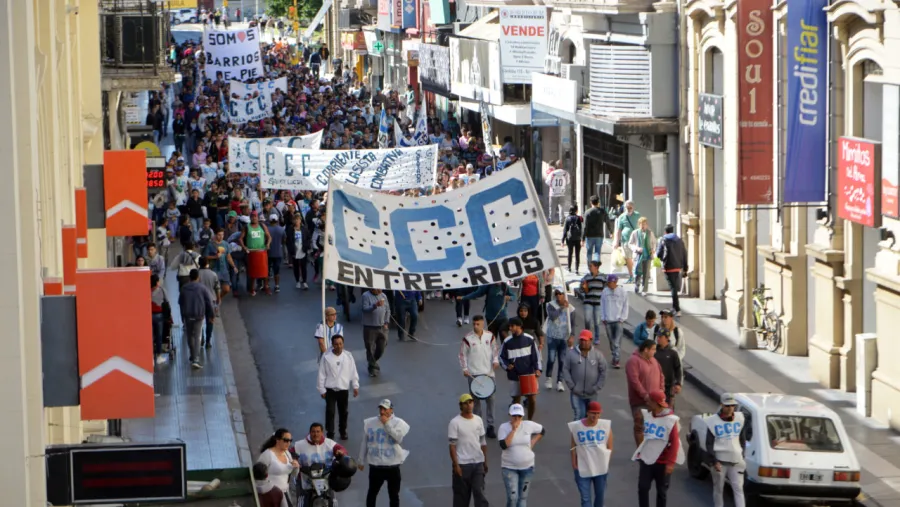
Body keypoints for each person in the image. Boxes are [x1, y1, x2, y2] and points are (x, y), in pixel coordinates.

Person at [633, 391, 682, 507]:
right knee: (643, 488)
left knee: (661, 491)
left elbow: (675, 442)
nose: (647, 402)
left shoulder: (670, 420)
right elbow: (640, 432)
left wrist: (670, 463)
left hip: (662, 462)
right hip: (647, 460)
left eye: (649, 400)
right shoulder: (647, 416)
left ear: (656, 403)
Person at [358, 399, 410, 507]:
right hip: (376, 465)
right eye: (381, 409)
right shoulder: (370, 423)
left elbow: (398, 439)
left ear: (391, 410)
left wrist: (387, 424)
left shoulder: (398, 423)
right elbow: (365, 442)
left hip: (392, 465)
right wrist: (361, 460)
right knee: (372, 493)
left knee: (394, 495)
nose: (382, 412)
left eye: (385, 409)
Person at [459, 315, 500, 439]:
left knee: (491, 400)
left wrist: (496, 360)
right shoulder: (467, 338)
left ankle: (490, 426)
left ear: (483, 324)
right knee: (475, 401)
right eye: (474, 324)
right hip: (474, 374)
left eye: (478, 324)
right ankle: (478, 426)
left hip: (488, 373)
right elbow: (462, 355)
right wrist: (465, 369)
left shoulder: (490, 336)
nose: (476, 326)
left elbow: (495, 350)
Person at [703, 394, 747, 507]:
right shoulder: (712, 421)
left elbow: (742, 438)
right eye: (727, 405)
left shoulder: (740, 418)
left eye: (732, 405)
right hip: (719, 462)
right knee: (718, 490)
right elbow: (709, 443)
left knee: (738, 489)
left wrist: (742, 454)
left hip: (736, 461)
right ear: (722, 405)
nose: (730, 408)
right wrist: (714, 461)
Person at [498, 403, 545, 507]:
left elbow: (542, 430)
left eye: (519, 416)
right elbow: (504, 445)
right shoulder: (504, 427)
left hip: (527, 467)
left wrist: (533, 442)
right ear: (510, 415)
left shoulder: (528, 425)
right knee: (512, 497)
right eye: (514, 416)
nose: (516, 418)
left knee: (523, 497)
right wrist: (513, 430)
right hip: (509, 467)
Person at [293, 422, 348, 506]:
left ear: (322, 433)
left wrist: (341, 452)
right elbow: (290, 454)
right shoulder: (299, 445)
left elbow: (341, 449)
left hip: (325, 478)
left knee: (332, 501)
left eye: (318, 431)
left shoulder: (329, 443)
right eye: (313, 432)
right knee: (302, 502)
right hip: (306, 479)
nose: (315, 434)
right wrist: (294, 461)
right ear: (310, 432)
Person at [569, 401, 612, 507]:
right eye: (593, 413)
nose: (595, 416)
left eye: (598, 413)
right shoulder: (576, 426)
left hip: (600, 467)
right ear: (587, 412)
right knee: (585, 498)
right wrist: (574, 464)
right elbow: (573, 446)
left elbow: (610, 446)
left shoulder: (605, 426)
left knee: (600, 496)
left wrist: (606, 461)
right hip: (583, 466)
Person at [449, 394, 489, 507]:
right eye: (465, 403)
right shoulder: (455, 422)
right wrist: (456, 465)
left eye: (470, 402)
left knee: (480, 493)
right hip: (462, 465)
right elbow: (452, 446)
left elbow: (483, 442)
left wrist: (485, 461)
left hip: (477, 464)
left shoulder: (478, 420)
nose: (469, 405)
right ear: (461, 406)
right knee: (461, 498)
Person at [317, 335, 360, 441]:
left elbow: (353, 371)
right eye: (336, 344)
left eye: (341, 344)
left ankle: (343, 431)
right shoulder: (326, 357)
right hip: (330, 389)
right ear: (332, 345)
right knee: (330, 411)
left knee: (343, 412)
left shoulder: (348, 356)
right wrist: (321, 389)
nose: (339, 346)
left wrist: (355, 385)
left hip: (343, 389)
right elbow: (321, 374)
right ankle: (330, 432)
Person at [498, 317, 542, 420]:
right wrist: (507, 366)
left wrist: (537, 369)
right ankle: (517, 422)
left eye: (512, 326)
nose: (510, 328)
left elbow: (536, 356)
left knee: (532, 399)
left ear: (519, 326)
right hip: (514, 376)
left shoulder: (529, 339)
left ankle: (529, 421)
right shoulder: (507, 342)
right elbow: (501, 357)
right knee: (516, 401)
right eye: (509, 326)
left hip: (529, 375)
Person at [626, 340, 665, 447]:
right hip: (640, 402)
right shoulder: (633, 361)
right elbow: (634, 381)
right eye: (653, 349)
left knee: (653, 426)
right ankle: (641, 451)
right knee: (640, 426)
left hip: (655, 402)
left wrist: (661, 391)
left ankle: (651, 449)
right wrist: (645, 395)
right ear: (646, 349)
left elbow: (661, 376)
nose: (655, 352)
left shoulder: (654, 361)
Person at [562, 330, 608, 420]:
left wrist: (597, 387)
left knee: (591, 418)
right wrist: (572, 386)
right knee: (579, 416)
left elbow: (604, 371)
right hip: (576, 393)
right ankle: (575, 434)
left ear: (591, 340)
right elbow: (565, 370)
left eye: (586, 340)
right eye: (581, 340)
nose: (583, 342)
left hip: (592, 394)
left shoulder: (597, 355)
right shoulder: (571, 354)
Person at [178, 269, 215, 369]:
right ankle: (196, 359)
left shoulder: (184, 288)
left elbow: (180, 302)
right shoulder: (202, 288)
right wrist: (212, 315)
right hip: (199, 315)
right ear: (198, 277)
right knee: (198, 336)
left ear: (189, 277)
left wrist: (182, 315)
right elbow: (209, 302)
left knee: (190, 336)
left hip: (187, 315)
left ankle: (192, 354)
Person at [543, 286, 575, 391]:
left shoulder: (571, 308)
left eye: (560, 293)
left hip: (564, 337)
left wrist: (572, 336)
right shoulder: (550, 305)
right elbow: (553, 316)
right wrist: (561, 308)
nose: (558, 296)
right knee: (551, 359)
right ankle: (548, 378)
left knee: (562, 360)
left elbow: (573, 324)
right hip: (552, 336)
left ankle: (560, 381)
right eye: (556, 293)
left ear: (564, 294)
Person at [257, 429, 299, 506]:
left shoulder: (287, 453)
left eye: (290, 440)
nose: (288, 443)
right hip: (271, 495)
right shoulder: (267, 455)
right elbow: (258, 476)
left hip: (285, 492)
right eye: (286, 440)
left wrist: (296, 467)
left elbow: (293, 474)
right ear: (277, 440)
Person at [656, 224, 688, 317]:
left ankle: (677, 309)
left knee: (673, 287)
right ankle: (676, 307)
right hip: (678, 266)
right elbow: (684, 254)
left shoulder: (663, 240)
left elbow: (658, 254)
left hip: (668, 267)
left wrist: (662, 259)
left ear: (665, 231)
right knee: (674, 286)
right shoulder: (679, 240)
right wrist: (685, 268)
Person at [239, 210, 271, 296]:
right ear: (250, 218)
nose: (254, 218)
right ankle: (252, 289)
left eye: (255, 216)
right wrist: (244, 247)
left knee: (264, 272)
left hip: (262, 251)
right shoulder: (246, 227)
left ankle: (266, 287)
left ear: (257, 217)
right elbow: (240, 238)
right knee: (252, 273)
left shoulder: (262, 226)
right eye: (252, 216)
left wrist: (267, 244)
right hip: (251, 252)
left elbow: (269, 236)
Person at [600, 274, 628, 368]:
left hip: (618, 320)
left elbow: (625, 305)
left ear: (615, 282)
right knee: (611, 341)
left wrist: (623, 318)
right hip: (608, 320)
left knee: (617, 342)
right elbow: (602, 305)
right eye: (608, 282)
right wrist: (603, 317)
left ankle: (616, 359)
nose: (609, 284)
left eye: (610, 282)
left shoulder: (622, 292)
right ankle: (614, 355)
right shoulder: (605, 291)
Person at [361, 289, 390, 377]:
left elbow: (388, 310)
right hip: (370, 327)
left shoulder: (383, 296)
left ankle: (372, 362)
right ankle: (372, 369)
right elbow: (364, 309)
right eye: (378, 288)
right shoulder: (365, 296)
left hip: (382, 327)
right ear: (372, 288)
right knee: (370, 348)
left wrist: (386, 322)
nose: (380, 290)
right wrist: (375, 305)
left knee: (382, 347)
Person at [653, 330, 683, 408]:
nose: (658, 339)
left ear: (667, 338)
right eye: (657, 336)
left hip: (668, 388)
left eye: (660, 337)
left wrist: (678, 383)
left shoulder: (673, 353)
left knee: (667, 411)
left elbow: (678, 369)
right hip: (654, 386)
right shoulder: (653, 351)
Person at [613, 200, 641, 283]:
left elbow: (642, 226)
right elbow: (618, 230)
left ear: (633, 207)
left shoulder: (637, 215)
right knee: (628, 258)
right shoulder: (622, 217)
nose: (628, 209)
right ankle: (631, 276)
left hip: (636, 241)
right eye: (627, 207)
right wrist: (616, 242)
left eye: (630, 207)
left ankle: (637, 275)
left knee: (636, 258)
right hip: (625, 241)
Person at [628, 217, 656, 296]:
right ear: (639, 225)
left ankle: (645, 289)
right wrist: (636, 248)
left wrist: (653, 250)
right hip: (638, 256)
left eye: (644, 224)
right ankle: (637, 285)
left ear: (647, 225)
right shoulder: (635, 233)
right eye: (641, 224)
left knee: (646, 273)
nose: (643, 226)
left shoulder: (650, 233)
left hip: (647, 256)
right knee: (638, 272)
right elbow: (630, 243)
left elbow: (654, 243)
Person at [580, 261, 606, 346]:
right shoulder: (586, 277)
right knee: (587, 320)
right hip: (588, 301)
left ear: (596, 267)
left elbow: (606, 289)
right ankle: (587, 336)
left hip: (598, 302)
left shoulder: (602, 277)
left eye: (591, 266)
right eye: (589, 266)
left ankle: (597, 337)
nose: (589, 267)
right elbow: (581, 289)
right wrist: (583, 287)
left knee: (597, 321)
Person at [197, 257, 220, 348]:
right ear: (208, 263)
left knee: (199, 321)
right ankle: (208, 341)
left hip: (199, 301)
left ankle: (201, 338)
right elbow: (217, 288)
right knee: (210, 321)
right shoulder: (213, 274)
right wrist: (218, 299)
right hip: (211, 301)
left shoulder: (196, 274)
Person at [150, 274, 171, 364]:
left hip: (149, 315)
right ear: (157, 282)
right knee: (159, 336)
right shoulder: (162, 290)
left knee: (150, 336)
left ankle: (150, 357)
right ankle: (158, 356)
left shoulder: (146, 290)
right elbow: (167, 302)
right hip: (159, 315)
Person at [582, 196, 608, 263]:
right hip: (599, 235)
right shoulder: (602, 211)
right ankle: (596, 269)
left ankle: (590, 269)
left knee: (589, 252)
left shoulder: (587, 212)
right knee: (597, 252)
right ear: (598, 202)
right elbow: (607, 221)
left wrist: (583, 238)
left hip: (589, 235)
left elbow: (585, 226)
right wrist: (611, 231)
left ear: (591, 202)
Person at [267, 213, 286, 293]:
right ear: (277, 220)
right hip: (278, 253)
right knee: (277, 271)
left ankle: (266, 285)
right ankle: (277, 286)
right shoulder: (281, 229)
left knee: (267, 270)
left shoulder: (267, 229)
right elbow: (284, 240)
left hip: (268, 252)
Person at [562, 206, 584, 273]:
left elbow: (565, 230)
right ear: (576, 211)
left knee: (570, 253)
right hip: (578, 239)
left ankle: (569, 268)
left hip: (570, 238)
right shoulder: (579, 218)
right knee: (577, 254)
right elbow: (581, 229)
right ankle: (577, 269)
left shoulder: (567, 218)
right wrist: (582, 239)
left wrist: (562, 240)